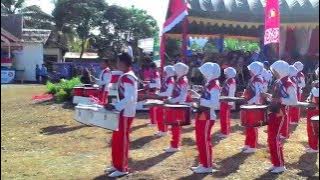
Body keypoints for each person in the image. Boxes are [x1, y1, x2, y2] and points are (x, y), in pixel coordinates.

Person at [104, 53, 138, 178]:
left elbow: (130, 97)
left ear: (123, 63)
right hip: (123, 111)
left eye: (118, 62)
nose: (116, 64)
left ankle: (122, 167)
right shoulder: (126, 76)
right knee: (116, 139)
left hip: (125, 112)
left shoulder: (127, 77)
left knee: (122, 140)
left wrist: (115, 106)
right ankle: (116, 163)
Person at [266, 60, 298, 173]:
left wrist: (280, 100)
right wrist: (269, 96)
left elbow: (294, 101)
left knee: (274, 138)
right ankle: (275, 163)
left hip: (280, 113)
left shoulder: (289, 83)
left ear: (281, 70)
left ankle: (280, 165)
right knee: (271, 138)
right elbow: (276, 97)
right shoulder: (279, 82)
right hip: (273, 111)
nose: (274, 72)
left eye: (276, 70)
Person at [191, 62, 221, 174]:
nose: (203, 75)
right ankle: (204, 163)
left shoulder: (214, 85)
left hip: (207, 116)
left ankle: (207, 165)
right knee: (200, 140)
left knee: (204, 141)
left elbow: (214, 104)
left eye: (204, 72)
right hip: (203, 115)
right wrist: (196, 95)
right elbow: (206, 99)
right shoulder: (210, 84)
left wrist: (199, 100)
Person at [164, 62, 191, 153]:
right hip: (177, 104)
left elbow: (182, 96)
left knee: (175, 126)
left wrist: (171, 100)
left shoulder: (183, 80)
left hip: (179, 105)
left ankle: (175, 145)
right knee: (175, 126)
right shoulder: (180, 79)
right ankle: (175, 144)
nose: (174, 71)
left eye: (176, 69)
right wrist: (171, 99)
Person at [242, 61, 264, 153]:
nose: (249, 71)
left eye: (251, 69)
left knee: (253, 125)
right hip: (250, 104)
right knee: (248, 124)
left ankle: (253, 146)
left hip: (254, 105)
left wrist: (250, 101)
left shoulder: (258, 79)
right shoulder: (253, 78)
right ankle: (247, 144)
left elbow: (258, 94)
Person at [151, 65, 176, 137]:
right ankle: (160, 129)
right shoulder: (166, 79)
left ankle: (164, 130)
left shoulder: (170, 80)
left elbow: (169, 92)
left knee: (163, 116)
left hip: (165, 100)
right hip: (161, 99)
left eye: (165, 71)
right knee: (158, 114)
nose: (163, 72)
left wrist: (158, 94)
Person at [219, 67, 237, 138]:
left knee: (225, 117)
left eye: (226, 73)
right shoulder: (228, 80)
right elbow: (225, 89)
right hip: (224, 100)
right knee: (224, 117)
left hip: (227, 101)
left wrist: (230, 103)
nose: (225, 74)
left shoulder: (231, 81)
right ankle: (225, 131)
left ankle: (225, 132)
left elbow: (231, 93)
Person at [305, 67, 319, 153]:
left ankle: (314, 147)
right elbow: (312, 94)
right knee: (311, 128)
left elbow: (316, 95)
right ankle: (312, 146)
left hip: (315, 109)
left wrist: (313, 87)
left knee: (313, 128)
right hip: (313, 107)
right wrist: (308, 99)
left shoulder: (316, 84)